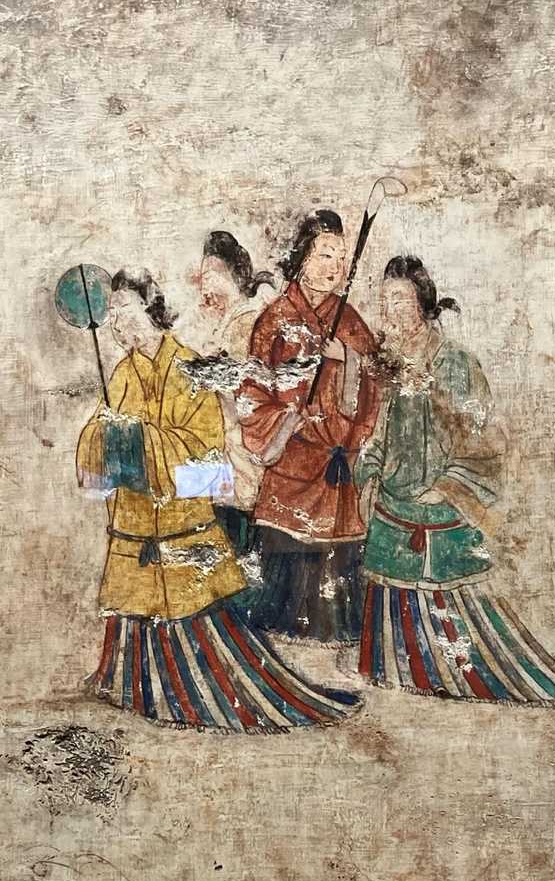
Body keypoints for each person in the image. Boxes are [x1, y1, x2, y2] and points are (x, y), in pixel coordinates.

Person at [75, 269, 361, 731]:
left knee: (202, 635)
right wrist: (108, 436)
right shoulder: (125, 373)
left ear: (150, 308)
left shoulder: (188, 367)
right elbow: (99, 436)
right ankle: (136, 690)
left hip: (182, 525)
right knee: (134, 610)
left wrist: (142, 443)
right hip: (135, 523)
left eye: (124, 309)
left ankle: (195, 696)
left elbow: (208, 462)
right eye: (111, 312)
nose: (116, 321)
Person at [354, 256, 555, 705]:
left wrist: (445, 487)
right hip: (392, 502)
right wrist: (371, 473)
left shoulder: (455, 362)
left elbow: (483, 437)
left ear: (423, 304)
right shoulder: (389, 363)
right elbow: (377, 433)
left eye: (402, 299)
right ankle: (401, 669)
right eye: (386, 299)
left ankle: (458, 673)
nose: (392, 310)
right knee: (393, 606)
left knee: (455, 608)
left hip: (437, 505)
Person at [238, 209, 381, 643]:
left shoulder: (351, 322)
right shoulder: (275, 320)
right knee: (283, 598)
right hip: (292, 467)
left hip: (336, 473)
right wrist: (287, 421)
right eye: (324, 255)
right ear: (302, 258)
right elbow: (252, 393)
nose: (334, 268)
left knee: (338, 600)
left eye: (340, 258)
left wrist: (347, 359)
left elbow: (375, 383)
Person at [193, 230, 277, 557]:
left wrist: (210, 378)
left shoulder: (246, 322)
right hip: (227, 455)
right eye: (202, 278)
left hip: (243, 459)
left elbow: (248, 395)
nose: (205, 287)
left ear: (234, 276)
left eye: (211, 276)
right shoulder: (228, 323)